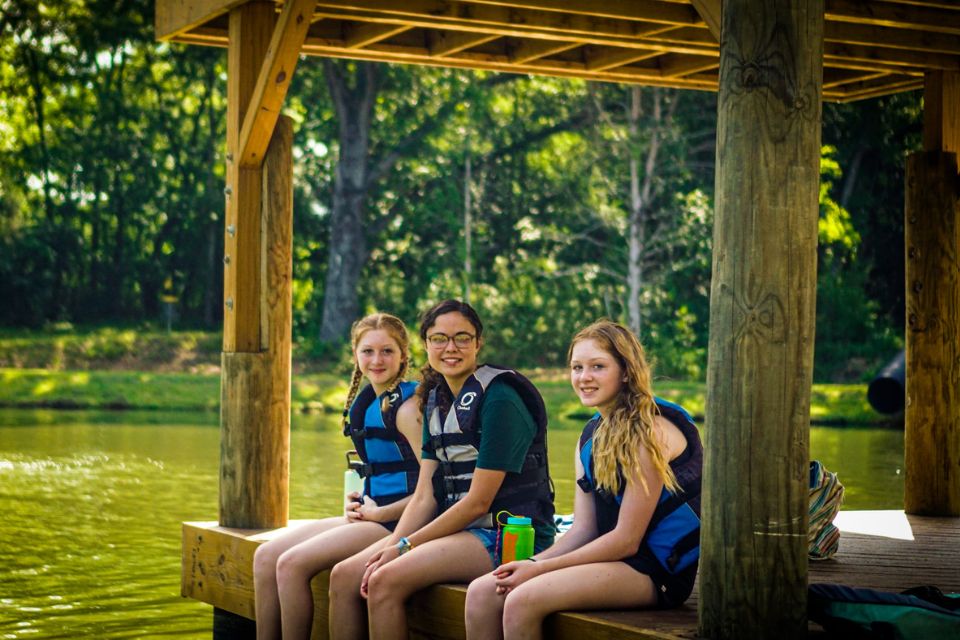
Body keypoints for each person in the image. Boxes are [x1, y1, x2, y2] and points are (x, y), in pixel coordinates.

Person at [326, 299, 555, 640]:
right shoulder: (435, 399)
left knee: (384, 581)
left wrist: (404, 546)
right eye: (439, 338)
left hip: (507, 534)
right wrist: (393, 542)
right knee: (361, 572)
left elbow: (479, 503)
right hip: (462, 532)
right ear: (426, 344)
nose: (451, 348)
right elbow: (424, 495)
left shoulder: (501, 399)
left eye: (462, 338)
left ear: (478, 343)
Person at [464, 320, 703, 640]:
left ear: (627, 371)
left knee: (522, 599)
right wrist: (532, 561)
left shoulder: (651, 434)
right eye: (577, 367)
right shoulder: (590, 436)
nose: (584, 377)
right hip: (611, 559)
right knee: (483, 590)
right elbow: (584, 529)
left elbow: (626, 540)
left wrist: (539, 569)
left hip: (653, 570)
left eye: (598, 366)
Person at [253, 313, 421, 640]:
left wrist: (379, 513)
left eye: (387, 351)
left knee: (291, 565)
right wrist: (359, 500)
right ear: (355, 356)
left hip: (398, 520)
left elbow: (435, 488)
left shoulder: (408, 409)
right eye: (367, 351)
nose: (376, 360)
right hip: (371, 513)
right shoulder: (371, 400)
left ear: (403, 355)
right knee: (265, 556)